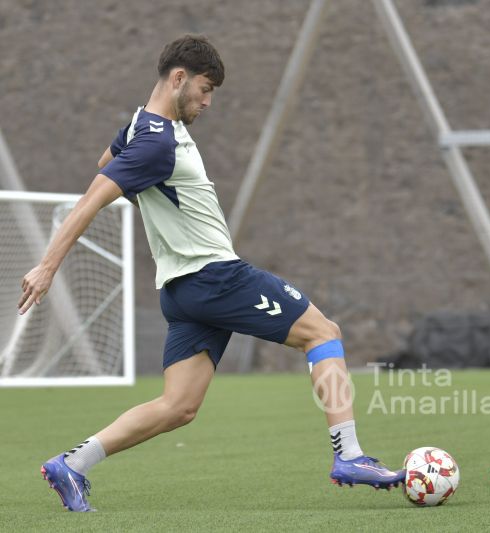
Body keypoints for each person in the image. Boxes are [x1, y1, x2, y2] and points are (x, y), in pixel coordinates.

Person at [20, 34, 404, 512]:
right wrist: (47, 265)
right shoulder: (156, 142)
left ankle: (71, 464)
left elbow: (106, 164)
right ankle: (350, 455)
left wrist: (147, 192)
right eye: (205, 89)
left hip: (181, 291)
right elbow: (93, 197)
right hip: (215, 277)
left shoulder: (141, 129)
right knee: (322, 332)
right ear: (178, 78)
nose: (208, 100)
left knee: (178, 406)